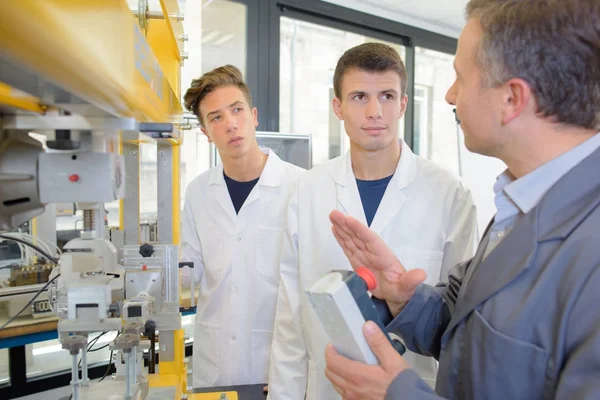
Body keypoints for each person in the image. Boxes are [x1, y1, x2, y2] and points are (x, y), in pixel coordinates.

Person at [324, 0, 600, 399]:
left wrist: (399, 395)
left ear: (512, 99)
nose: (450, 96)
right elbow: (464, 328)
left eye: (460, 78)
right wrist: (404, 298)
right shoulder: (518, 204)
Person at [267, 43, 479, 400]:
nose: (375, 111)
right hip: (328, 388)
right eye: (359, 97)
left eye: (387, 96)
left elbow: (460, 320)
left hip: (413, 387)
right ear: (338, 106)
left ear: (403, 105)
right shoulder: (309, 189)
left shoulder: (450, 194)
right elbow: (290, 316)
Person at [180, 65, 305, 388]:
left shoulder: (301, 187)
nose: (230, 124)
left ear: (254, 115)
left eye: (236, 110)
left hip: (277, 367)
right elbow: (187, 269)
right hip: (214, 366)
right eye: (216, 117)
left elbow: (313, 281)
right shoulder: (197, 192)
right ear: (206, 132)